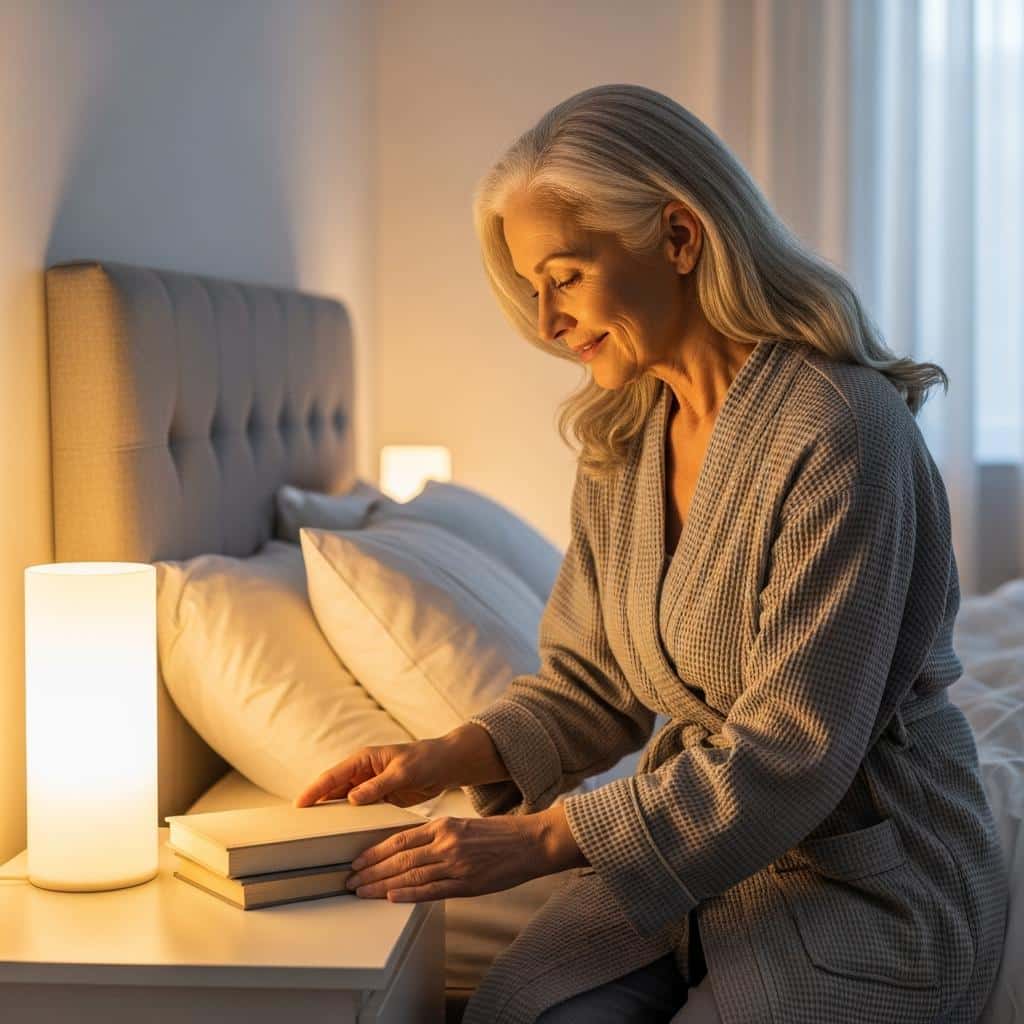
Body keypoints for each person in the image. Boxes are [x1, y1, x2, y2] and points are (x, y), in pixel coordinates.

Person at [293, 84, 1008, 1024]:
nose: (547, 322)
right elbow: (595, 683)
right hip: (689, 860)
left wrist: (543, 840)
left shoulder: (840, 430)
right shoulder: (624, 438)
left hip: (865, 868)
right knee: (517, 1005)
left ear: (679, 238)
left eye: (565, 276)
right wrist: (444, 755)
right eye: (533, 287)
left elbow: (794, 748)